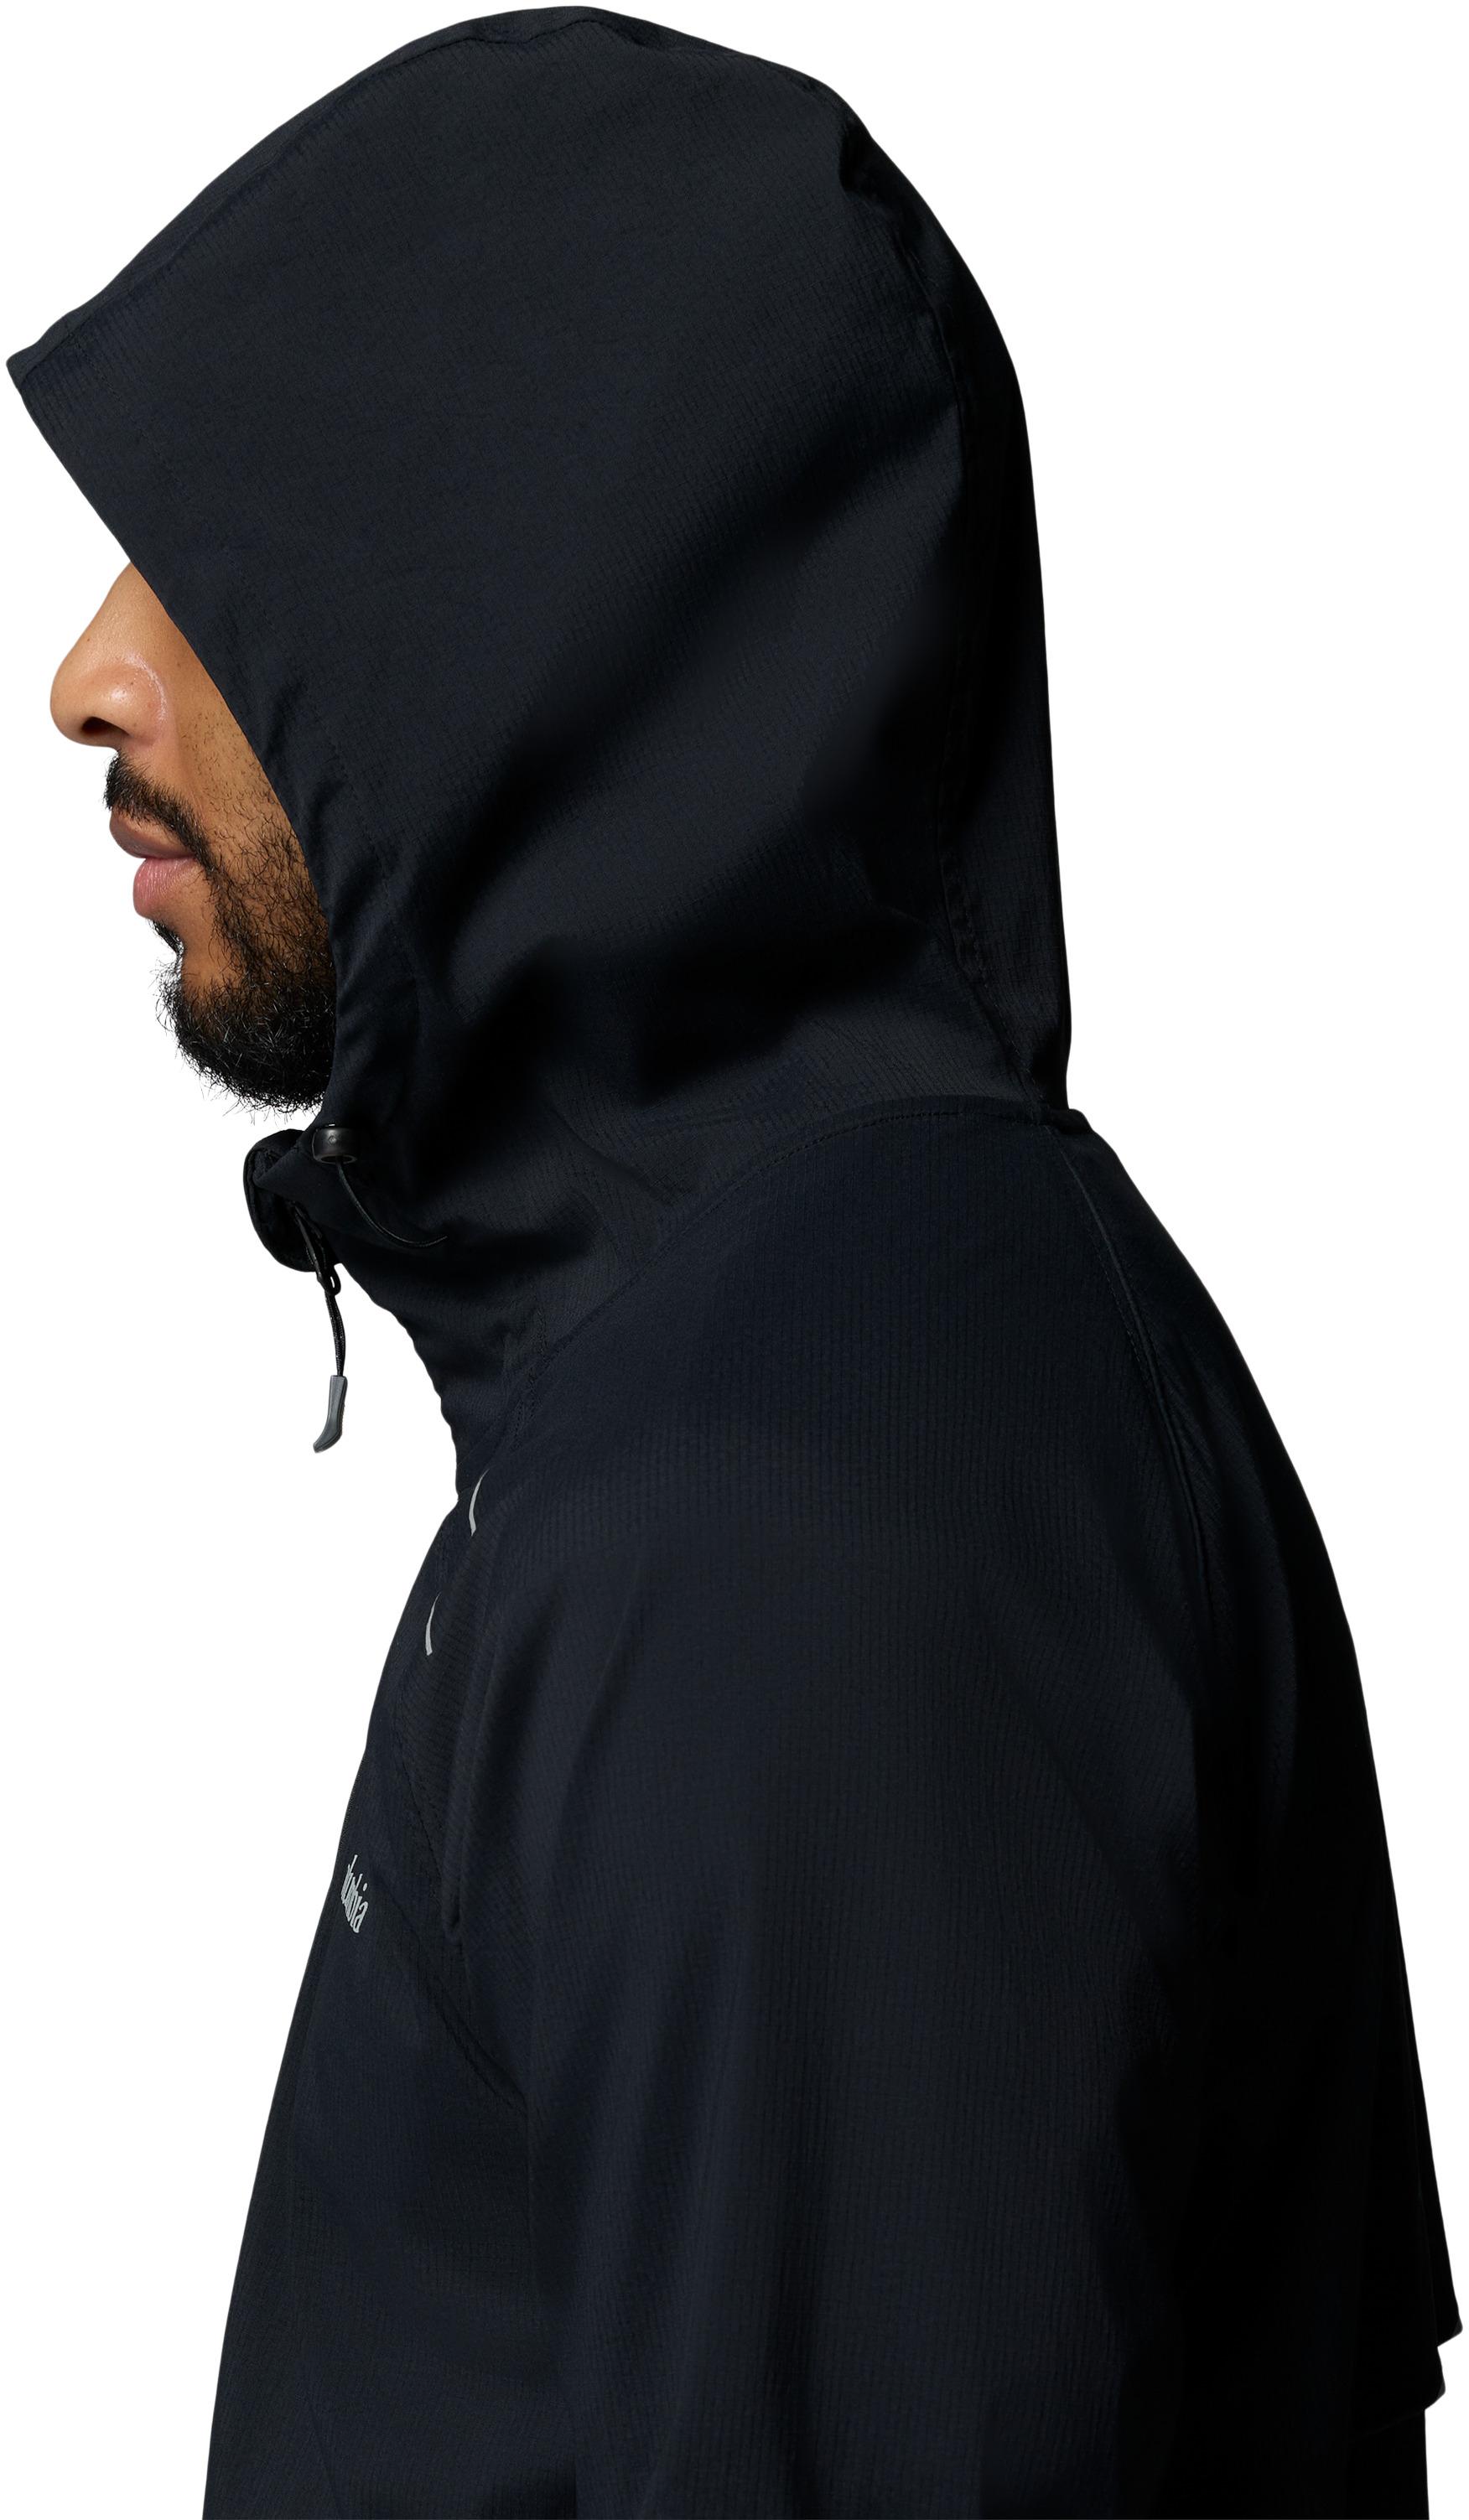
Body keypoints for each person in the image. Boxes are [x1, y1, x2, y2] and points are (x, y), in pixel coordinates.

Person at [10, 12, 1458, 2516]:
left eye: (235, 567)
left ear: (524, 618)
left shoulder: (800, 1506)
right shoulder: (800, 1360)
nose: (87, 675)